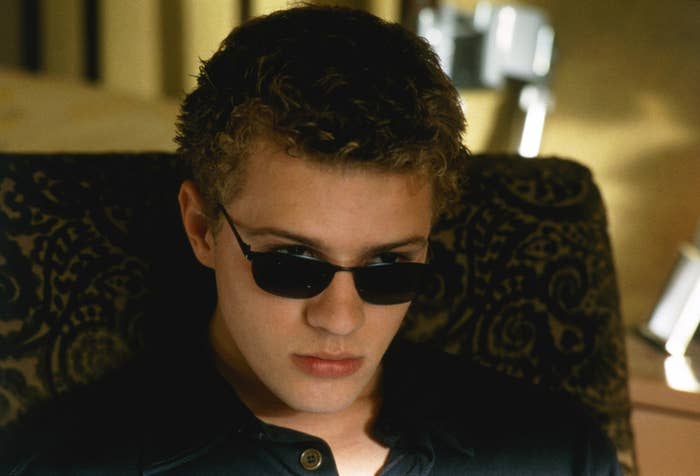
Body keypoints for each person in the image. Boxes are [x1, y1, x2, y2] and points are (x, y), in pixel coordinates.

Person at [3, 4, 621, 475]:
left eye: (389, 267)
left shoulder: (557, 452)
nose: (341, 319)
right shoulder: (60, 461)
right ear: (201, 229)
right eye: (292, 263)